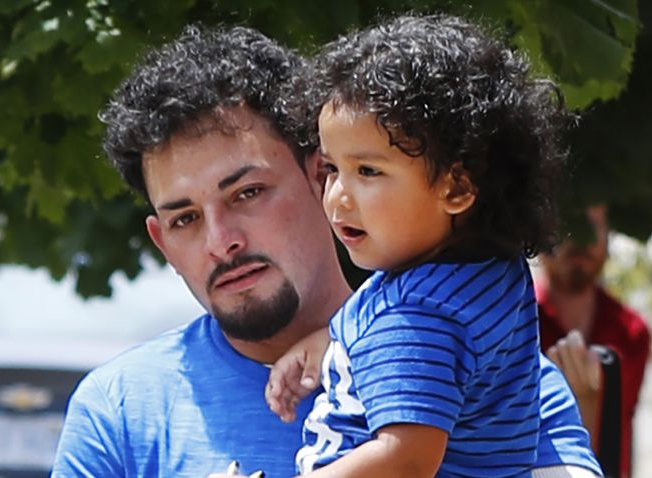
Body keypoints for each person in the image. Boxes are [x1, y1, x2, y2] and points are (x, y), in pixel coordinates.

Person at [51, 22, 599, 478]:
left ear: (321, 177)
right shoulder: (117, 411)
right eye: (186, 219)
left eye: (248, 193)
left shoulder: (501, 378)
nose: (221, 241)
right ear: (162, 241)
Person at [260, 14, 592, 478]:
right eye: (332, 169)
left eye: (368, 171)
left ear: (456, 189)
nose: (338, 196)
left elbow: (407, 459)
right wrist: (329, 343)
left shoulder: (417, 318)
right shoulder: (489, 270)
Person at [541, 204, 651, 478]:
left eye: (593, 227)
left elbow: (622, 425)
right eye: (568, 226)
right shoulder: (515, 322)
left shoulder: (632, 331)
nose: (580, 241)